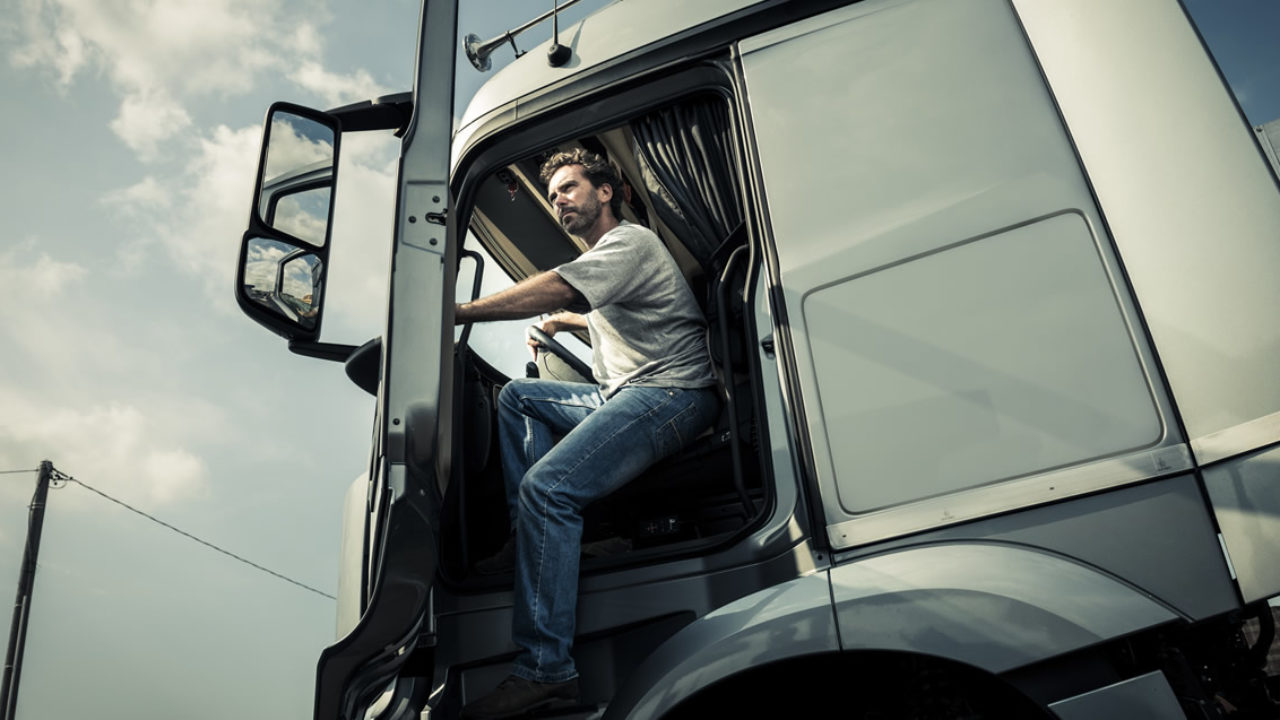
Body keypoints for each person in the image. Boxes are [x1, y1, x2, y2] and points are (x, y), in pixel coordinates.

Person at [458, 148, 720, 718]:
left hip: (672, 394)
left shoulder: (629, 242)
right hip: (622, 392)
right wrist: (564, 324)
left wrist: (459, 312)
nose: (558, 202)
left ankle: (545, 671)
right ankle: (527, 538)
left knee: (548, 488)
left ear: (606, 191)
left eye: (569, 188)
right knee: (519, 397)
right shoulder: (611, 259)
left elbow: (564, 287)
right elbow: (598, 309)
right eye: (552, 195)